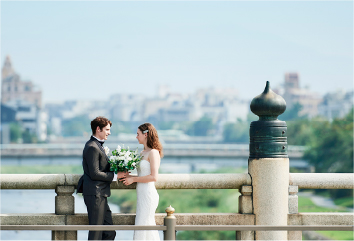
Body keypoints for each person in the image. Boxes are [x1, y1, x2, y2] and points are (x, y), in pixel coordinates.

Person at [77, 116, 127, 240]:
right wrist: (115, 176)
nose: (109, 133)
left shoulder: (97, 146)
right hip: (95, 194)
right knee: (96, 234)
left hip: (100, 194)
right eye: (107, 130)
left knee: (109, 232)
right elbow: (94, 173)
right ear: (98, 129)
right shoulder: (92, 147)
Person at [122, 123, 163, 241]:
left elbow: (153, 177)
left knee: (146, 224)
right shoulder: (142, 153)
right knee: (141, 224)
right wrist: (129, 175)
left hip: (148, 194)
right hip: (141, 194)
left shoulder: (153, 152)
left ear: (145, 134)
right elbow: (142, 174)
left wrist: (133, 179)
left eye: (138, 134)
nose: (136, 137)